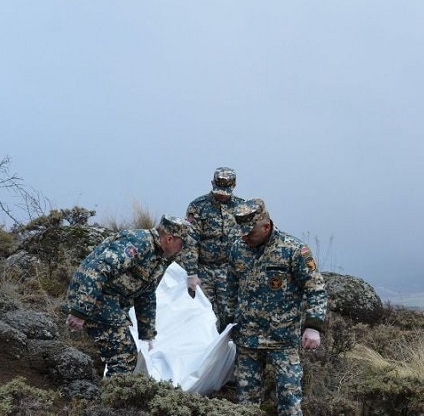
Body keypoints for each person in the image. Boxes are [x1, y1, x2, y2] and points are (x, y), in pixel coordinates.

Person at [224, 198, 327, 416]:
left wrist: (313, 326)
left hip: (282, 339)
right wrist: (227, 322)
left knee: (289, 400)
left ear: (266, 226)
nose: (244, 237)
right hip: (247, 339)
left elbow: (315, 288)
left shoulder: (294, 250)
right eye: (241, 232)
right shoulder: (237, 248)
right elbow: (230, 286)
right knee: (246, 403)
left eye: (249, 232)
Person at [62, 214, 193, 376]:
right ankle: (112, 399)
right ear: (169, 239)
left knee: (125, 354)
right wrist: (80, 311)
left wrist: (147, 335)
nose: (182, 249)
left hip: (109, 303)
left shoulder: (158, 257)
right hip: (95, 298)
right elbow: (98, 269)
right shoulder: (138, 243)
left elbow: (146, 296)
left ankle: (111, 394)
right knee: (124, 355)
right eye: (182, 244)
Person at [178, 166, 245, 331]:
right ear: (212, 183)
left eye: (225, 191)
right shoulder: (198, 206)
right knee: (203, 314)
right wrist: (192, 273)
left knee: (230, 315)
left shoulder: (242, 208)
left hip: (229, 271)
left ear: (234, 186)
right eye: (218, 191)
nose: (221, 195)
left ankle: (230, 353)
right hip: (204, 270)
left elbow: (248, 241)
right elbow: (191, 242)